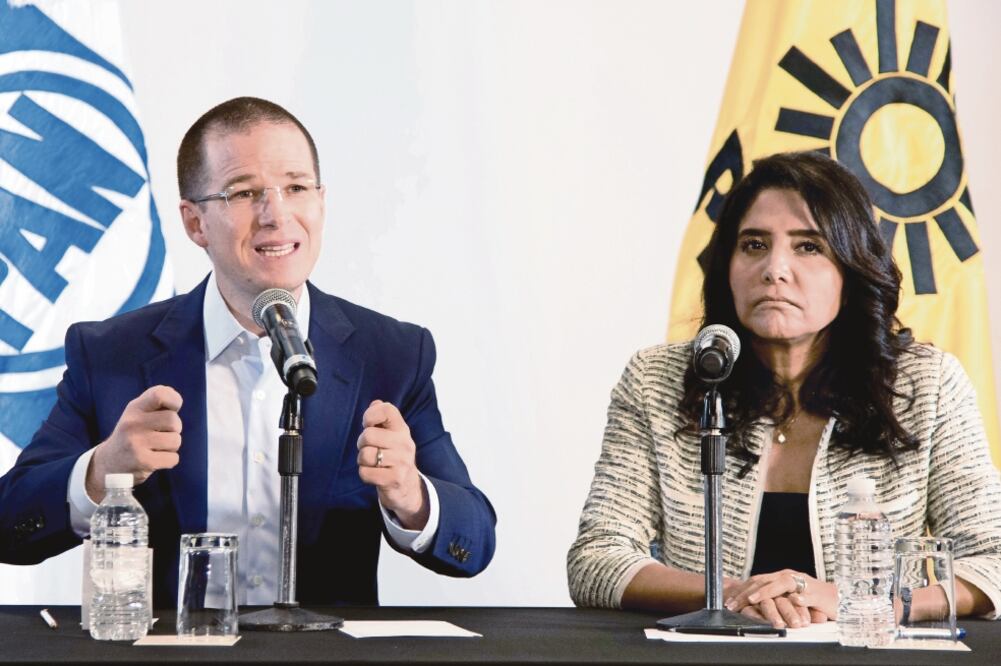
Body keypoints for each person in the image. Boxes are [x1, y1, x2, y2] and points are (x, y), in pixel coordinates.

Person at [0, 97, 495, 608]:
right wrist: (103, 471)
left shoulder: (390, 354)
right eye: (244, 193)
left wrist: (412, 497)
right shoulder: (111, 355)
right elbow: (9, 524)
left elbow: (475, 541)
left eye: (297, 188)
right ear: (195, 223)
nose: (275, 215)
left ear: (321, 203)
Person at [567, 151, 1001, 628]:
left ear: (851, 268)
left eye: (808, 247)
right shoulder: (658, 379)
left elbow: (993, 560)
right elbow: (595, 558)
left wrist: (859, 601)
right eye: (753, 244)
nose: (775, 269)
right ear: (726, 265)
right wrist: (733, 595)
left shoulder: (926, 385)